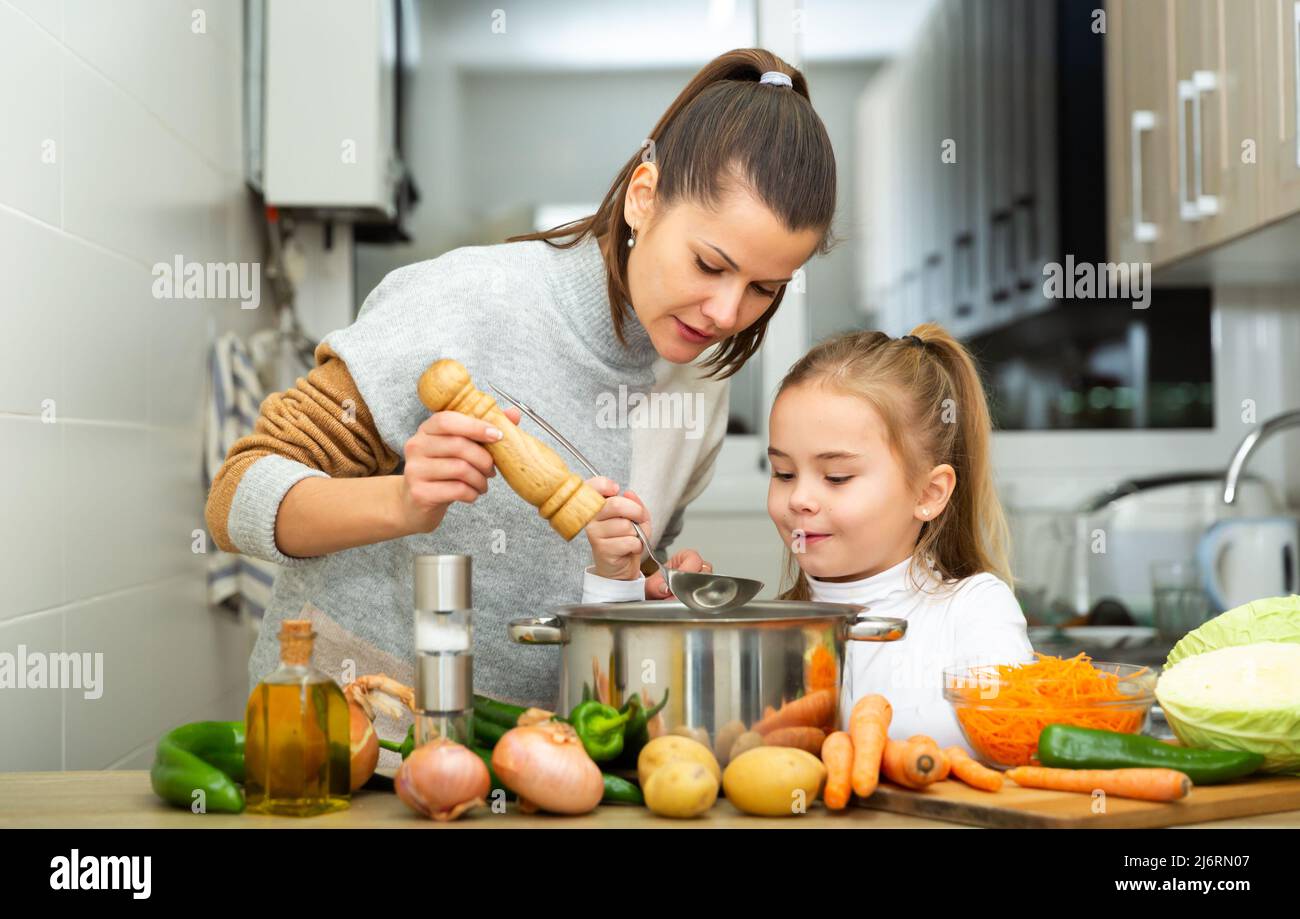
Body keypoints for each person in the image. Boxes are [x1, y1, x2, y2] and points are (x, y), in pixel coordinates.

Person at [204, 48, 837, 712]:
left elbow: (617, 565)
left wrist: (648, 581)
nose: (727, 313)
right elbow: (235, 497)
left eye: (765, 288)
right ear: (644, 199)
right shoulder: (467, 299)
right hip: (341, 738)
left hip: (526, 761)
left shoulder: (701, 383)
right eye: (709, 264)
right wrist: (402, 502)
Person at [583, 323, 1033, 750]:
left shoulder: (976, 610)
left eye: (836, 477)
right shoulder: (767, 629)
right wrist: (632, 599)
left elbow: (1006, 747)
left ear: (929, 493)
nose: (799, 498)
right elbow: (616, 731)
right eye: (783, 473)